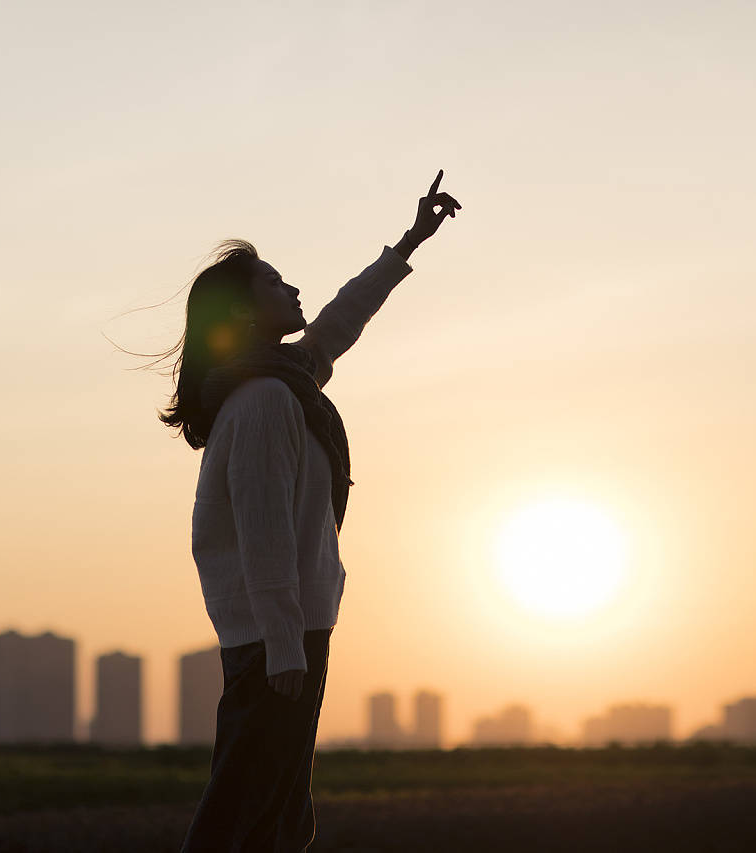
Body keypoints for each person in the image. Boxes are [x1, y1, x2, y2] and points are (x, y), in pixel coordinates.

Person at [160, 170, 461, 852]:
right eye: (274, 282)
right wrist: (285, 641)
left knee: (279, 809)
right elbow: (263, 527)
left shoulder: (283, 379)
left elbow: (338, 322)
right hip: (276, 636)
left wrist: (409, 242)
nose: (292, 289)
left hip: (287, 628)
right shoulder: (264, 401)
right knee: (247, 810)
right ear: (241, 314)